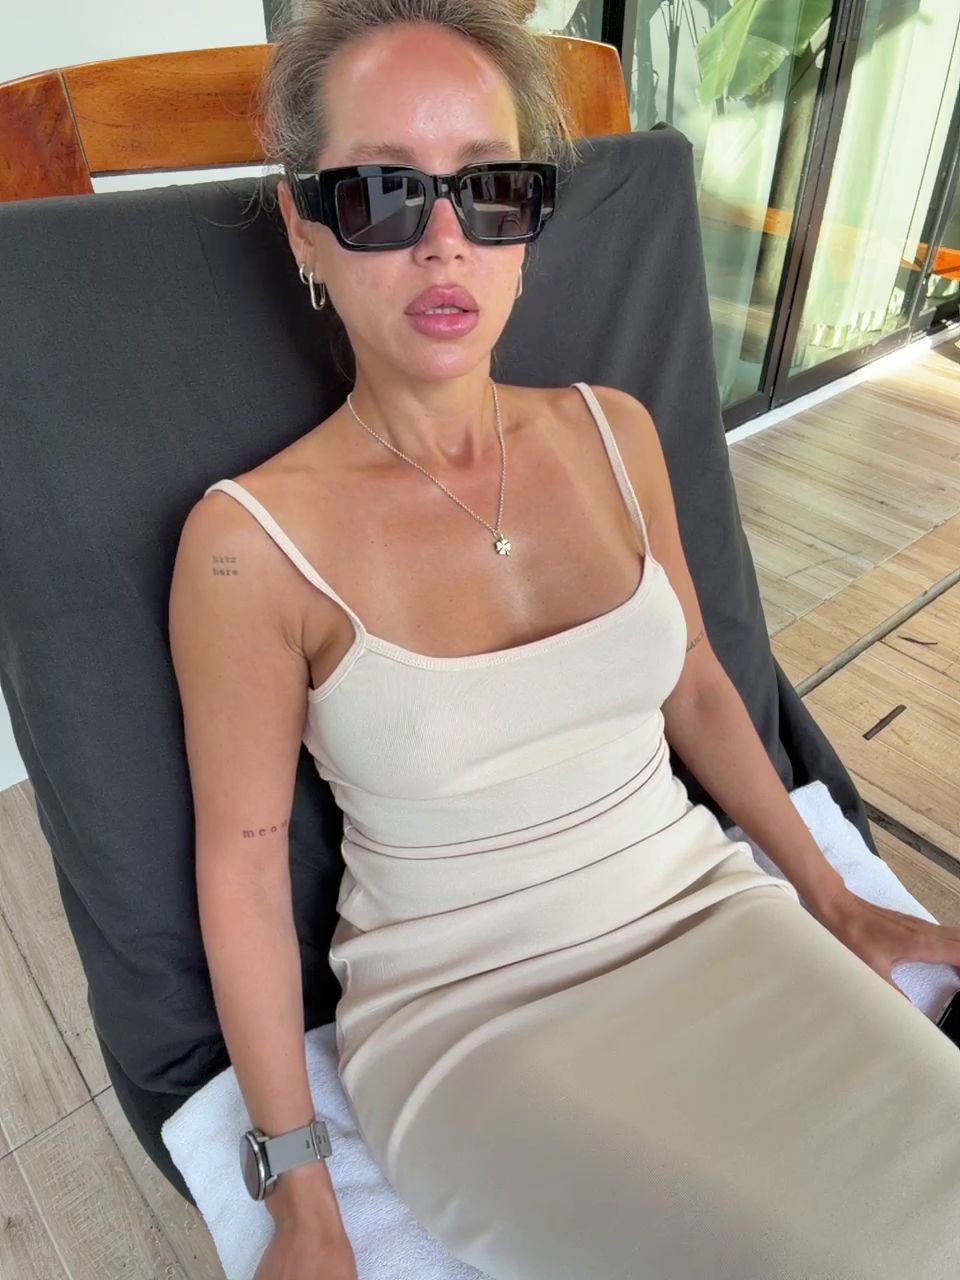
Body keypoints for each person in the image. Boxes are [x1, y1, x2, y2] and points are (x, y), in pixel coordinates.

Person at [168, 2, 960, 1277]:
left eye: (491, 189)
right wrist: (301, 1190)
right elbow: (245, 872)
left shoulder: (614, 432)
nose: (444, 240)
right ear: (304, 224)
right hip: (473, 1026)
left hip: (711, 916)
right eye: (382, 193)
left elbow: (699, 687)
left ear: (530, 221)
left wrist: (833, 899)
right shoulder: (247, 546)